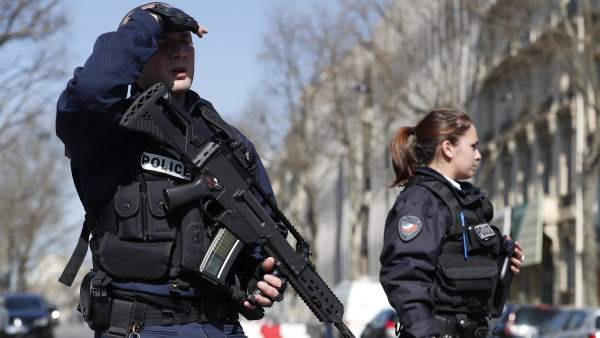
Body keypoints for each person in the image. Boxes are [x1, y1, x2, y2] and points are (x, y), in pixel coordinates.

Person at [56, 3, 284, 338]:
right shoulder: (104, 130)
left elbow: (264, 234)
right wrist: (145, 21)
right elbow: (89, 91)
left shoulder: (230, 143)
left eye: (186, 43)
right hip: (139, 326)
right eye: (164, 44)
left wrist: (257, 277)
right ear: (136, 57)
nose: (180, 52)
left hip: (221, 327)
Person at [379, 109, 525, 338]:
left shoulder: (466, 201)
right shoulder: (421, 202)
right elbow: (405, 275)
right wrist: (426, 334)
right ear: (448, 148)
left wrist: (502, 258)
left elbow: (463, 267)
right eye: (472, 146)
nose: (478, 155)